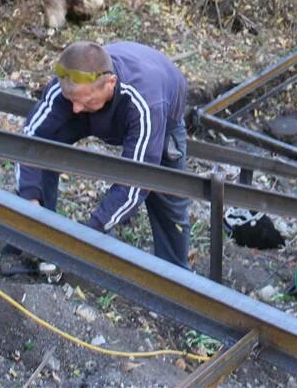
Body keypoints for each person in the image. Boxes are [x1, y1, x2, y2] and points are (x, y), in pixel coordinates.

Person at [10, 41, 191, 270]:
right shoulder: (70, 86)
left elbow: (136, 180)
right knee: (47, 145)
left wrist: (92, 230)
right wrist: (28, 200)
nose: (74, 108)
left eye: (82, 101)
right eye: (70, 99)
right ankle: (38, 240)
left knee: (169, 201)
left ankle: (174, 279)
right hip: (99, 106)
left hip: (162, 117)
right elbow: (30, 140)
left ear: (110, 83)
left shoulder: (146, 102)